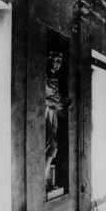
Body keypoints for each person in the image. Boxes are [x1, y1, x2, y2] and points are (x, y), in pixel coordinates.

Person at [45, 50, 71, 187]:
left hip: (53, 113)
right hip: (45, 113)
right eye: (55, 60)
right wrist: (55, 104)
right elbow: (40, 98)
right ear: (49, 59)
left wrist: (61, 104)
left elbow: (54, 96)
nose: (57, 64)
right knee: (50, 145)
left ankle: (47, 180)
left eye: (60, 61)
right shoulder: (44, 76)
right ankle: (44, 181)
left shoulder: (55, 77)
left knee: (52, 145)